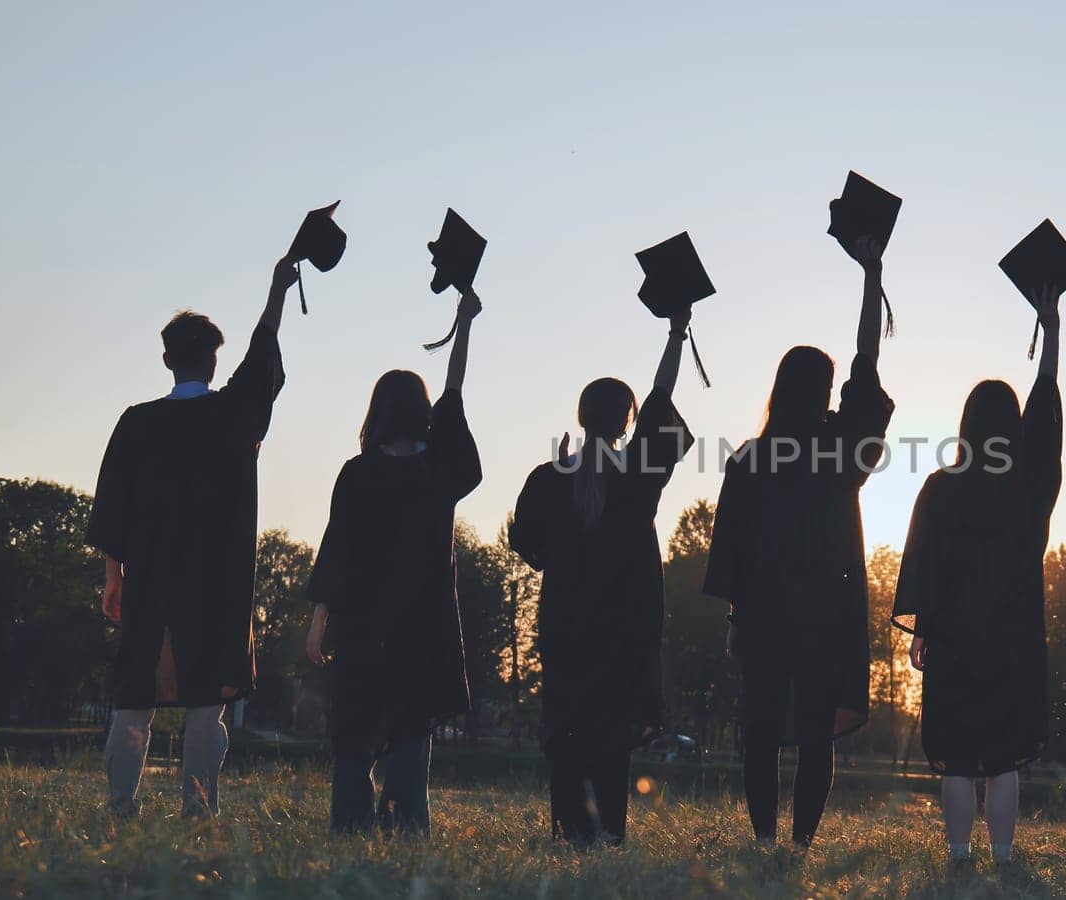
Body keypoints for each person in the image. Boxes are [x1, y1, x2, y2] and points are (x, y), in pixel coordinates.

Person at [87, 255, 296, 817]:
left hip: (150, 580)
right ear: (213, 359)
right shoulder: (233, 415)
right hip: (217, 588)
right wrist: (278, 287)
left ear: (165, 359)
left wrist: (114, 578)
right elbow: (263, 358)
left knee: (134, 697)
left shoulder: (137, 423)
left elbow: (112, 506)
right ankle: (199, 810)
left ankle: (120, 807)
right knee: (208, 703)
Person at [704, 237, 894, 855]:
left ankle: (764, 843)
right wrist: (873, 275)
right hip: (828, 617)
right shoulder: (842, 449)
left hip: (763, 616)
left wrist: (734, 616)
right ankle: (801, 847)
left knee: (759, 734)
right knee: (817, 735)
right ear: (824, 393)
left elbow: (729, 544)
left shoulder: (750, 459)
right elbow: (867, 363)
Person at [506, 306, 696, 846]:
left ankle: (569, 831)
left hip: (565, 629)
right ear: (627, 422)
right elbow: (662, 400)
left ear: (581, 416)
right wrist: (675, 334)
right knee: (613, 740)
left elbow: (529, 547)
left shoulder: (550, 477)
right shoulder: (638, 473)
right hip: (623, 633)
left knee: (565, 733)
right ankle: (609, 834)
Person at [891, 284, 1064, 870]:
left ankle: (960, 855)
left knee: (960, 757)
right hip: (1015, 639)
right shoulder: (1032, 486)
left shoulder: (943, 488)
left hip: (955, 640)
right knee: (1007, 757)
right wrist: (1052, 332)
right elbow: (1046, 416)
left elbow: (922, 563)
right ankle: (1006, 855)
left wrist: (921, 631)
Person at [304, 291, 484, 836]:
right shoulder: (438, 475)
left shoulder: (356, 474)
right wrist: (464, 329)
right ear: (423, 414)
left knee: (354, 729)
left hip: (362, 624)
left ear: (375, 412)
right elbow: (454, 398)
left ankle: (350, 826)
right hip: (423, 624)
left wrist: (318, 623)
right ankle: (407, 827)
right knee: (410, 728)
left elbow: (335, 548)